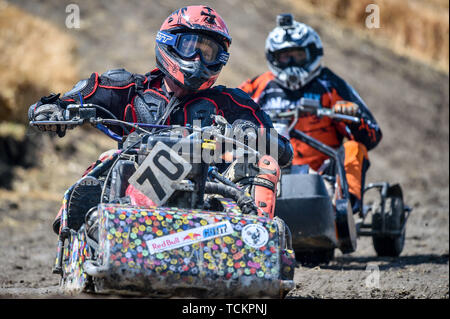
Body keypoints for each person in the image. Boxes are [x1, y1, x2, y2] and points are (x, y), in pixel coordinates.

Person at [28, 6, 293, 234]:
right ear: (168, 42)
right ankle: (88, 225)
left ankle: (254, 242)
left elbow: (283, 151)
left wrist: (251, 135)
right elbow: (66, 101)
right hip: (134, 196)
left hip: (214, 198)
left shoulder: (230, 102)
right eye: (190, 47)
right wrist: (53, 111)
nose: (198, 59)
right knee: (109, 158)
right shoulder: (127, 88)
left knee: (263, 162)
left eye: (207, 53)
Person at [239, 14, 382, 213]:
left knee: (354, 148)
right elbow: (228, 114)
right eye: (284, 56)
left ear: (312, 53)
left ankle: (344, 208)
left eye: (297, 55)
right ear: (273, 57)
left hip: (323, 173)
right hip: (264, 169)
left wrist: (349, 116)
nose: (291, 63)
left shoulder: (330, 84)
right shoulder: (257, 86)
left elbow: (372, 134)